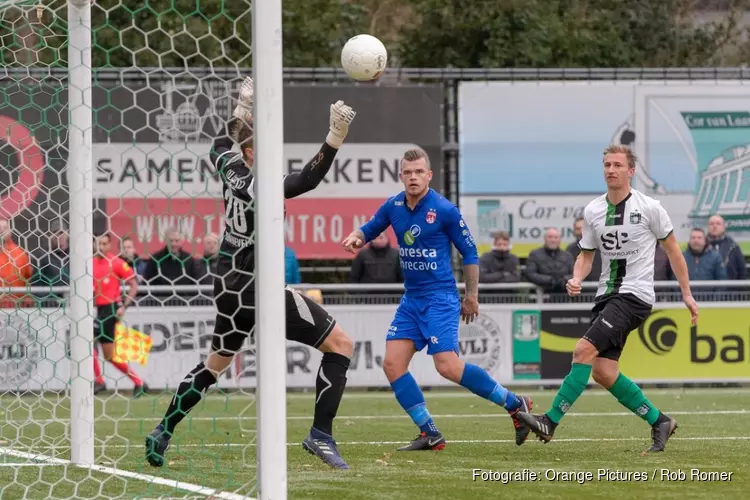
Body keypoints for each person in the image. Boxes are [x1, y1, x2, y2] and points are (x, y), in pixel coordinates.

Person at [145, 77, 357, 470]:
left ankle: (163, 430)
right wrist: (335, 136)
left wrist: (242, 107)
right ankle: (320, 436)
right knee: (342, 345)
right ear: (252, 152)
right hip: (260, 288)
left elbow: (218, 145)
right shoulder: (265, 185)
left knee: (217, 362)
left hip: (228, 284)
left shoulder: (231, 172)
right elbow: (307, 179)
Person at [342, 147, 533, 451]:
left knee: (447, 367)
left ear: (429, 175)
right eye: (408, 172)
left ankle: (514, 403)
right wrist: (357, 236)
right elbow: (371, 227)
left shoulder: (444, 210)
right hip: (412, 300)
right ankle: (429, 432)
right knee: (392, 364)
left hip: (440, 298)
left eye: (419, 171)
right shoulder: (393, 205)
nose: (413, 177)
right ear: (401, 175)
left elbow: (469, 252)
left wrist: (471, 295)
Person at [517, 145, 699, 453]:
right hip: (606, 296)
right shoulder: (593, 211)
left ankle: (549, 421)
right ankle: (660, 421)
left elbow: (673, 252)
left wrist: (686, 293)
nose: (610, 169)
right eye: (606, 164)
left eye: (617, 164)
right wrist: (576, 277)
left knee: (582, 350)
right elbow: (586, 257)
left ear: (630, 171)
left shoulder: (650, 207)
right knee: (603, 372)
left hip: (634, 296)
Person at [91, 233, 147, 396]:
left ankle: (99, 381)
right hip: (99, 309)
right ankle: (139, 382)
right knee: (109, 355)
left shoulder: (116, 263)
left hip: (111, 308)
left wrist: (124, 305)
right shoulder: (91, 264)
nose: (100, 247)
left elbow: (134, 285)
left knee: (86, 340)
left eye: (104, 244)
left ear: (109, 246)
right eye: (98, 244)